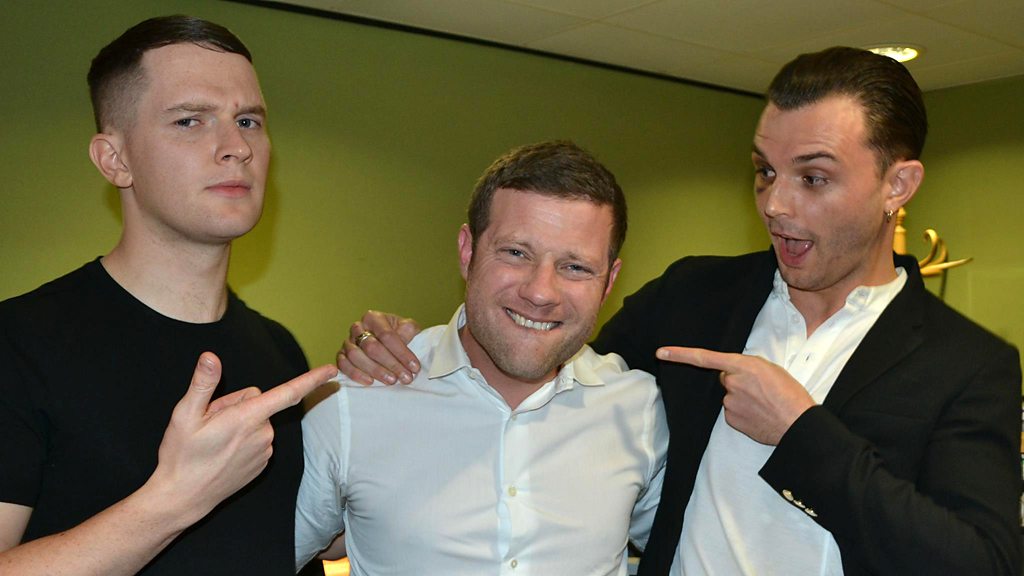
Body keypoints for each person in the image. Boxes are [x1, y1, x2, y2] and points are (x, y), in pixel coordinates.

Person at [337, 47, 1022, 575]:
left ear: (898, 184)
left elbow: (981, 563)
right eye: (764, 171)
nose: (776, 204)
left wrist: (802, 435)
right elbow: (549, 375)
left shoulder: (967, 365)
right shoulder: (694, 297)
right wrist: (419, 350)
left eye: (813, 177)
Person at [0, 15, 335, 575]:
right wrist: (177, 498)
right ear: (115, 159)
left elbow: (289, 544)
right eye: (189, 121)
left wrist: (405, 384)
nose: (236, 147)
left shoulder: (278, 349)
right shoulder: (17, 344)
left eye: (248, 121)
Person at [296, 141, 667, 574]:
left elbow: (692, 549)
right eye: (516, 253)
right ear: (467, 251)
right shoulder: (353, 402)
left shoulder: (638, 409)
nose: (540, 292)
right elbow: (263, 554)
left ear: (609, 283)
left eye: (576, 267)